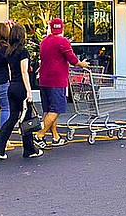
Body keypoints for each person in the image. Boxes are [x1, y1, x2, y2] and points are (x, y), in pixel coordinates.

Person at [0, 24, 44, 160]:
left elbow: (9, 70)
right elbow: (24, 71)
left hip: (11, 86)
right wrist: (29, 91)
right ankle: (29, 150)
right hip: (21, 87)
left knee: (13, 117)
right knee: (27, 119)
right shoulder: (23, 52)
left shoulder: (9, 52)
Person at [37, 18, 88, 147]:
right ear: (62, 28)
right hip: (57, 80)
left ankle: (55, 137)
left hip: (44, 80)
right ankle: (39, 135)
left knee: (49, 110)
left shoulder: (44, 41)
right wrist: (83, 64)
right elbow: (73, 60)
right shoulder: (63, 42)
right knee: (56, 109)